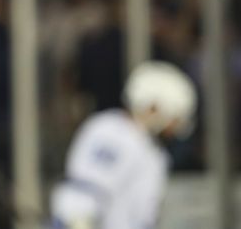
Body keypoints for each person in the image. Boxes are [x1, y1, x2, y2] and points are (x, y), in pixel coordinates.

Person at [50, 60, 197, 229]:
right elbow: (79, 201)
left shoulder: (149, 148)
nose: (173, 129)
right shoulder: (112, 133)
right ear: (153, 107)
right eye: (173, 119)